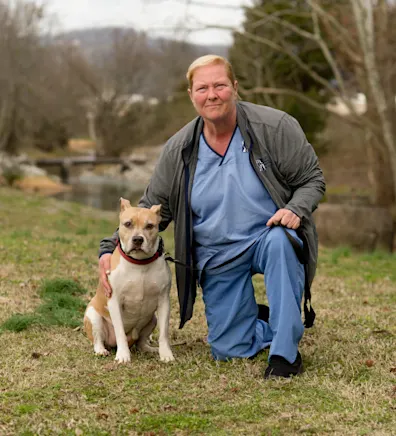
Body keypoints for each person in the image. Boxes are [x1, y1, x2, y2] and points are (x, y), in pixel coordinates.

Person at [98, 55, 325, 379]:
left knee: (280, 243)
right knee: (228, 350)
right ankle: (259, 320)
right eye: (202, 88)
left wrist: (293, 209)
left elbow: (313, 179)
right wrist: (109, 250)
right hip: (217, 254)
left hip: (268, 236)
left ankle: (285, 355)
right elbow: (149, 208)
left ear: (234, 87)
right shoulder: (179, 149)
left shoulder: (275, 127)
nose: (212, 94)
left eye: (219, 85)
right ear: (192, 95)